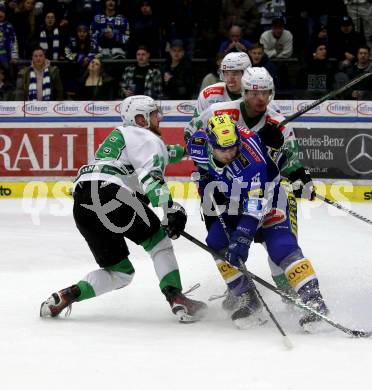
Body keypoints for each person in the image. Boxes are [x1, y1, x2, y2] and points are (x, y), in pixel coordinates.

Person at [40, 95, 207, 323]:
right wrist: (170, 209)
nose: (159, 118)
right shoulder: (146, 137)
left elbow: (163, 154)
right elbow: (151, 174)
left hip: (83, 202)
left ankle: (68, 294)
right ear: (141, 119)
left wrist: (189, 150)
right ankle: (176, 298)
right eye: (154, 114)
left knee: (120, 272)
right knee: (159, 242)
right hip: (111, 193)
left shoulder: (124, 136)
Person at [186, 67, 319, 306]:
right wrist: (206, 174)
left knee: (278, 248)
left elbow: (291, 162)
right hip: (230, 193)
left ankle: (295, 298)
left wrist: (301, 174)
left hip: (266, 190)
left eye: (266, 92)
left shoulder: (276, 121)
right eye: (255, 93)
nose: (261, 98)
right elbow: (191, 134)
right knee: (218, 241)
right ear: (244, 92)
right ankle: (243, 294)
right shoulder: (219, 111)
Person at [187, 112, 328, 330]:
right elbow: (201, 167)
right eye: (223, 149)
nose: (230, 153)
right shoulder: (197, 143)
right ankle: (248, 297)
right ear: (210, 143)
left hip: (270, 197)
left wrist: (242, 238)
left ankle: (314, 300)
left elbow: (256, 206)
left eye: (233, 147)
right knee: (216, 241)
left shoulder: (251, 161)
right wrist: (206, 181)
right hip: (234, 199)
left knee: (281, 247)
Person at [185, 52, 252, 141]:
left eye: (235, 73)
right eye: (226, 73)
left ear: (247, 74)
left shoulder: (258, 97)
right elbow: (193, 131)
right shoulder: (208, 94)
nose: (230, 78)